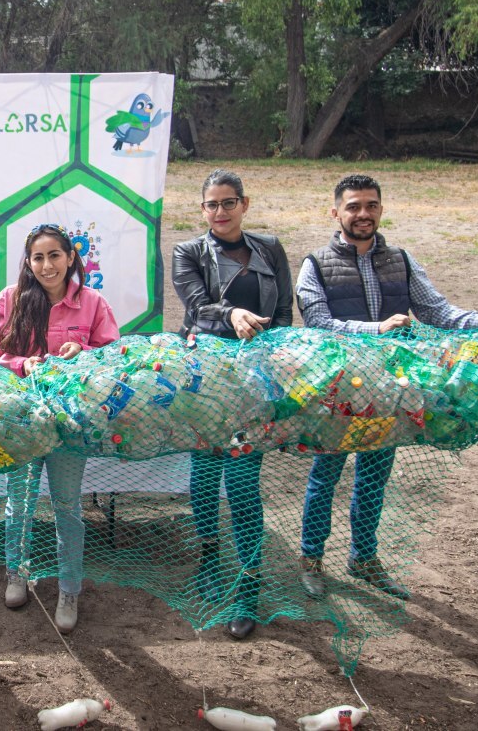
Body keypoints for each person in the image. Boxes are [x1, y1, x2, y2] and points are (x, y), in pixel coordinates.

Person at [295, 174, 478, 601]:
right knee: (325, 475)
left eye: (371, 205)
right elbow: (319, 324)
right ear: (335, 212)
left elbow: (438, 310)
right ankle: (311, 560)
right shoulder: (316, 264)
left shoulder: (401, 259)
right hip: (338, 390)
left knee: (375, 476)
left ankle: (363, 559)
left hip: (394, 389)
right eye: (354, 206)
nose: (363, 214)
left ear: (381, 209)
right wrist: (377, 329)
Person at [0, 222, 119, 634]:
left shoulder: (92, 303)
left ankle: (69, 588)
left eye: (54, 255)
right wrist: (24, 364)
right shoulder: (12, 299)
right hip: (20, 422)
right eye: (37, 257)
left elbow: (114, 357)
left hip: (69, 427)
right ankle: (16, 575)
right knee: (18, 502)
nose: (46, 265)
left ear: (71, 257)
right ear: (28, 261)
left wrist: (86, 352)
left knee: (67, 507)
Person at [172, 169, 292, 640]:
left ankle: (248, 585)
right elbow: (196, 305)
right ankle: (208, 559)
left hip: (257, 379)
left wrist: (275, 354)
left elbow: (282, 312)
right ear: (202, 209)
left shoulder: (271, 248)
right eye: (211, 205)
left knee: (243, 481)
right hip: (205, 375)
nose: (219, 212)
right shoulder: (189, 252)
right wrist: (233, 314)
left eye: (228, 203)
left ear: (245, 204)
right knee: (204, 474)